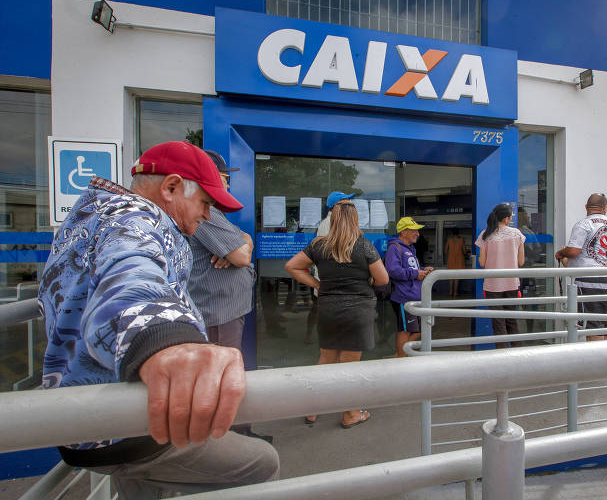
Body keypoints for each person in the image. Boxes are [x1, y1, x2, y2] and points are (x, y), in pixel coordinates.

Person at [38, 141, 279, 498]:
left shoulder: (95, 213)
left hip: (91, 420)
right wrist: (168, 341)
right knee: (262, 463)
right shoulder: (136, 218)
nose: (208, 216)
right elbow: (131, 274)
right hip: (130, 431)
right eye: (205, 204)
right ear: (170, 187)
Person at [187, 150, 271, 442]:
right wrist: (239, 250)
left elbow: (241, 243)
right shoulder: (205, 212)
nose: (228, 183)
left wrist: (242, 244)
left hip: (223, 310)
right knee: (222, 379)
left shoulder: (213, 212)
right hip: (217, 312)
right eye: (224, 176)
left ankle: (235, 434)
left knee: (226, 374)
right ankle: (230, 441)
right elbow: (240, 255)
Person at [285, 199, 388, 428]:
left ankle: (313, 409)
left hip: (328, 308)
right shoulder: (364, 246)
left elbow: (291, 266)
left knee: (326, 359)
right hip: (357, 311)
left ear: (333, 219)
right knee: (349, 366)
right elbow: (383, 279)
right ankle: (350, 413)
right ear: (355, 220)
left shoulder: (319, 245)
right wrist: (367, 279)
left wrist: (317, 284)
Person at [555, 193, 607, 341]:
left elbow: (573, 251)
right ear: (604, 208)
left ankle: (593, 362)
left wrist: (561, 252)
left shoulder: (584, 224)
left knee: (591, 326)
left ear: (586, 207)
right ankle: (600, 361)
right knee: (602, 325)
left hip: (588, 281)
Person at [475, 203, 526, 348]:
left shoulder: (485, 235)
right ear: (505, 218)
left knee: (498, 322)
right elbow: (521, 262)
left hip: (492, 285)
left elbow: (482, 262)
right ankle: (518, 353)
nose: (511, 219)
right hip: (511, 283)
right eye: (510, 217)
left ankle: (502, 356)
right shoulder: (517, 234)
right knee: (511, 319)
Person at [385, 217, 433, 358]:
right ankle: (400, 358)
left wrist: (423, 270)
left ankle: (399, 356)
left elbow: (410, 268)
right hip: (403, 297)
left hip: (412, 296)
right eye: (414, 230)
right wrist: (415, 273)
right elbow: (393, 271)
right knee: (405, 331)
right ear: (404, 231)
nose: (417, 234)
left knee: (418, 330)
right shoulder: (395, 247)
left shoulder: (409, 248)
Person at [444, 228, 467, 297]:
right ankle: (455, 292)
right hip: (459, 260)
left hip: (451, 260)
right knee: (456, 277)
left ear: (452, 233)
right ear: (458, 233)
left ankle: (450, 292)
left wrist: (451, 254)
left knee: (451, 277)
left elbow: (445, 251)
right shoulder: (461, 240)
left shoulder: (449, 240)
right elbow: (464, 251)